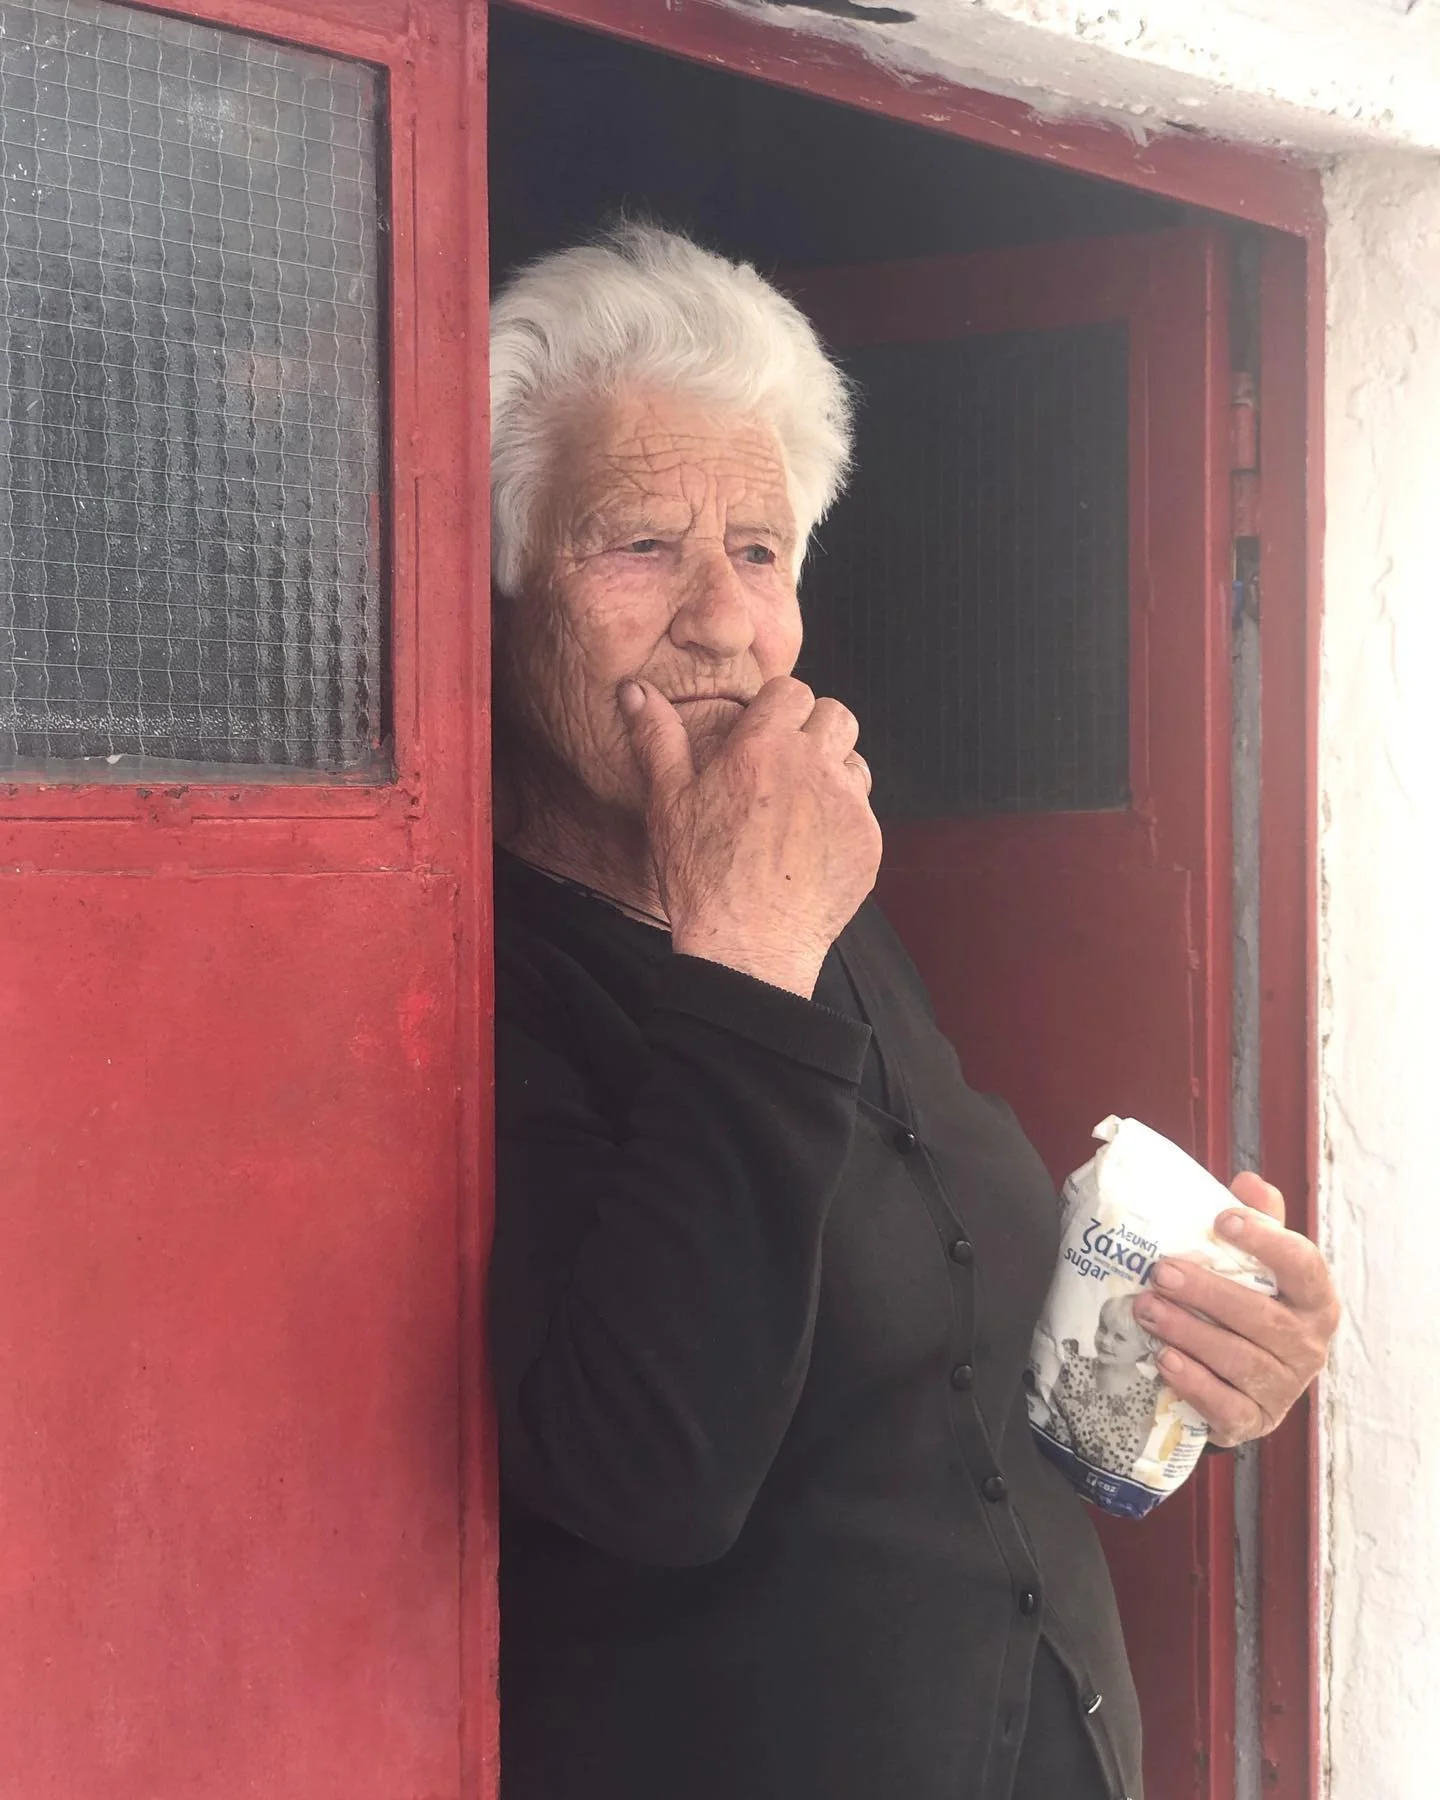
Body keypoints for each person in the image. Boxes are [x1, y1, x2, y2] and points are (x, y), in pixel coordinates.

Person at [486, 222, 1340, 1800]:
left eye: (757, 549)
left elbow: (937, 1343)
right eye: (635, 545)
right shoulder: (480, 983)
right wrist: (743, 942)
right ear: (504, 591)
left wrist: (1216, 1357)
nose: (723, 619)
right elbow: (642, 1475)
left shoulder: (831, 908)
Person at [1048, 1294, 1166, 1473]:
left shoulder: (1145, 1395)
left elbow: (1135, 1453)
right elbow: (1052, 1416)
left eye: (1119, 1337)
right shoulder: (1075, 1368)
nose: (1105, 1341)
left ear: (1144, 1348)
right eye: (1103, 1328)